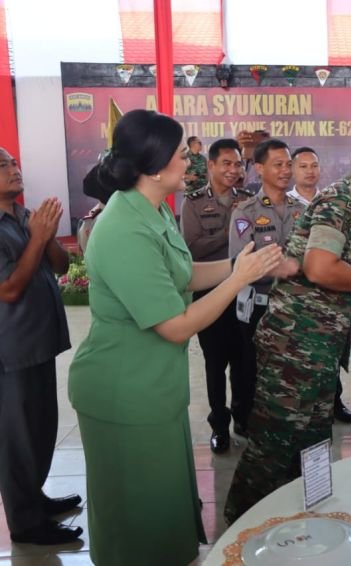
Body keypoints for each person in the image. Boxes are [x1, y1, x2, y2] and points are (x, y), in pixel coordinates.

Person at [68, 110, 286, 565]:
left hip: (153, 387)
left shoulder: (151, 211)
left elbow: (184, 275)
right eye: (179, 154)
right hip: (122, 390)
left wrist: (244, 265)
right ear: (153, 166)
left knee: (163, 508)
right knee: (136, 518)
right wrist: (238, 280)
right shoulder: (123, 228)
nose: (189, 162)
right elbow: (175, 325)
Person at [224, 140, 351, 523]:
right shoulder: (341, 202)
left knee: (312, 439)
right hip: (295, 344)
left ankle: (301, 517)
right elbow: (320, 267)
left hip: (316, 344)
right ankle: (242, 524)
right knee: (275, 441)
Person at [0, 148, 83, 545]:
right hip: (10, 351)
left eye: (14, 162)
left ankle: (34, 497)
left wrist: (45, 236)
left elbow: (61, 266)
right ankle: (25, 524)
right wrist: (37, 237)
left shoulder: (23, 215)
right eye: (3, 165)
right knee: (16, 440)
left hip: (38, 342)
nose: (14, 170)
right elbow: (10, 289)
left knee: (41, 429)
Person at [180, 138, 253, 453]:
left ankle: (242, 417)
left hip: (244, 290)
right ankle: (219, 424)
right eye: (226, 163)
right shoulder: (194, 202)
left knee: (244, 359)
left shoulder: (250, 198)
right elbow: (192, 247)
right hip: (209, 292)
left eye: (238, 163)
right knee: (214, 362)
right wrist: (231, 229)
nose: (233, 170)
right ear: (210, 165)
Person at [228, 138, 299, 437]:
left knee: (290, 371)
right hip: (257, 305)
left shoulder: (302, 210)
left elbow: (311, 254)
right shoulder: (245, 211)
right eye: (278, 164)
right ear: (259, 169)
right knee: (250, 370)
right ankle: (247, 423)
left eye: (288, 164)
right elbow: (240, 263)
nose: (286, 170)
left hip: (295, 306)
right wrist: (284, 266)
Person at [289, 146, 351, 423]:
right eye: (303, 166)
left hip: (332, 294)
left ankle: (334, 401)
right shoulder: (286, 203)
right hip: (298, 297)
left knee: (333, 351)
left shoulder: (332, 201)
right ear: (293, 170)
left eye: (314, 165)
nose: (309, 171)